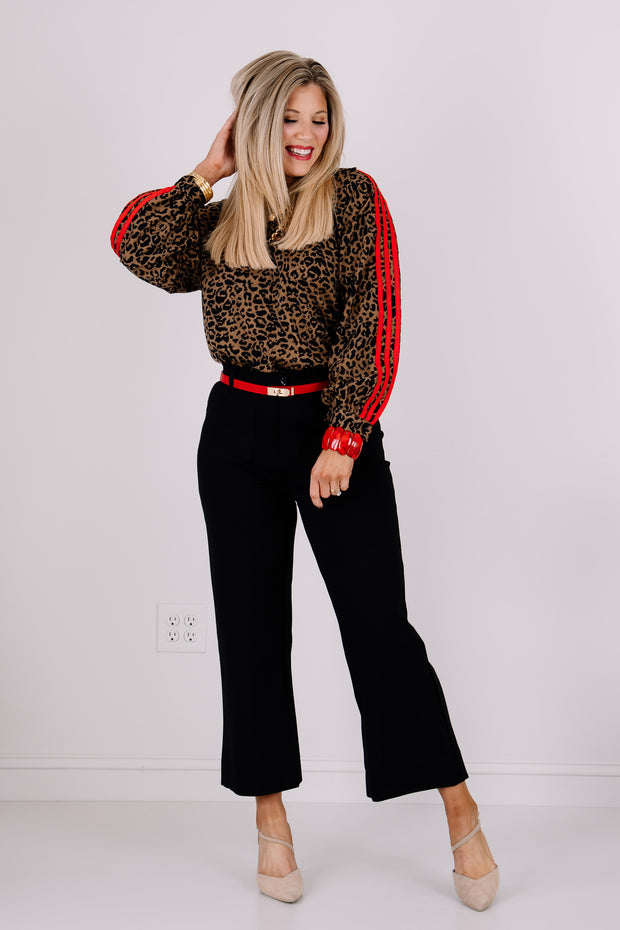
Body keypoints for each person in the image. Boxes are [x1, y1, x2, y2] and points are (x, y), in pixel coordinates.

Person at [111, 50, 499, 911]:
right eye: (289, 117)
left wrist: (346, 435)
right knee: (250, 629)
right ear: (255, 123)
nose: (307, 134)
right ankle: (271, 820)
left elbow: (375, 317)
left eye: (319, 118)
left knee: (378, 628)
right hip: (236, 429)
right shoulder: (223, 216)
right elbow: (135, 245)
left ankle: (459, 806)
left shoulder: (353, 199)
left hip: (330, 428)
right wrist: (206, 170)